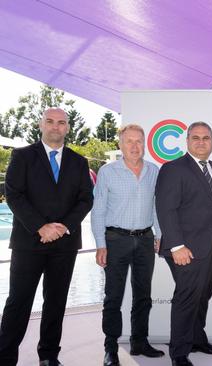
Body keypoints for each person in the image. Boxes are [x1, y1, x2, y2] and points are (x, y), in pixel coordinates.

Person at [0, 108, 94, 366]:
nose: (55, 127)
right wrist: (41, 227)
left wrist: (63, 226)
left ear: (67, 127)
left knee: (56, 301)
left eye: (61, 123)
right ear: (41, 124)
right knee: (18, 302)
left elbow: (86, 199)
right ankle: (6, 357)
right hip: (28, 242)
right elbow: (14, 194)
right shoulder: (22, 156)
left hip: (64, 244)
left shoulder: (79, 162)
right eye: (50, 122)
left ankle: (49, 356)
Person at [155, 122, 212, 366]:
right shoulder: (172, 169)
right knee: (186, 298)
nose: (201, 142)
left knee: (203, 297)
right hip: (185, 249)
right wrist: (177, 246)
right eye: (196, 138)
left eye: (206, 138)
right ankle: (178, 353)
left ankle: (198, 339)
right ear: (187, 141)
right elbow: (166, 210)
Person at [91, 124, 165, 366]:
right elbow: (98, 211)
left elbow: (156, 206)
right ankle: (110, 348)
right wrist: (101, 244)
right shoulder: (107, 172)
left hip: (144, 240)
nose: (134, 146)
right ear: (120, 145)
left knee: (143, 295)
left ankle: (139, 341)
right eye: (129, 141)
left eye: (139, 141)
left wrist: (159, 234)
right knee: (113, 296)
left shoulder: (153, 171)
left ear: (144, 144)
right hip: (116, 240)